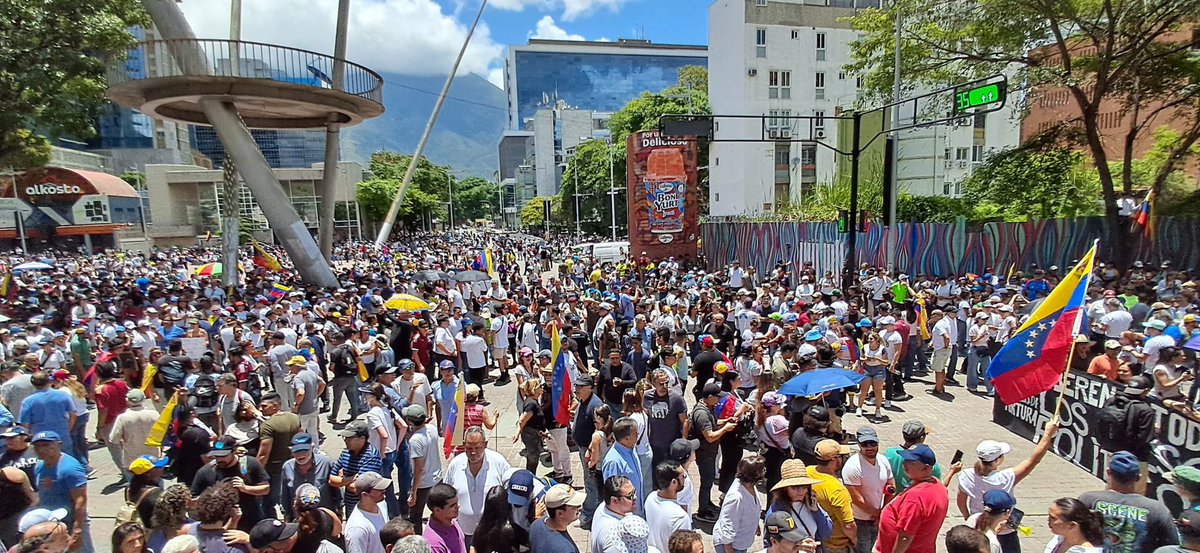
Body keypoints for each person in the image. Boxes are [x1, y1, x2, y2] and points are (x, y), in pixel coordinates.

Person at [957, 419, 1060, 553]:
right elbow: (1034, 459)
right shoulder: (1006, 478)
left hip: (977, 527)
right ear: (998, 460)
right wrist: (1047, 434)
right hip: (1005, 531)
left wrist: (968, 516)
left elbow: (961, 500)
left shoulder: (966, 475)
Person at [1079, 451, 1178, 553]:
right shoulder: (1157, 509)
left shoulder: (1088, 499)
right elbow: (1172, 546)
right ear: (1138, 477)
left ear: (1108, 472)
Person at [442, 426, 511, 549]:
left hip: (492, 534)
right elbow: (446, 494)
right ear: (463, 445)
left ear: (485, 444)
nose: (473, 452)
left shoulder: (498, 462)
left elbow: (510, 491)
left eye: (477, 448)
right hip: (463, 533)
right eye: (469, 448)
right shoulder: (455, 465)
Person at [876, 444, 949, 553]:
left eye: (911, 461)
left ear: (926, 467)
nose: (904, 463)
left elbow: (905, 536)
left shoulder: (915, 498)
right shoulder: (937, 485)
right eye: (905, 459)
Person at [31, 431, 92, 553]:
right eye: (38, 446)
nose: (41, 449)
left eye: (46, 445)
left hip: (71, 521)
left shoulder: (70, 468)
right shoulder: (39, 466)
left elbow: (80, 500)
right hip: (50, 523)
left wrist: (78, 529)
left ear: (59, 445)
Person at [691, 382, 737, 522]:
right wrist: (726, 428)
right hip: (705, 453)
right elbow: (710, 436)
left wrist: (725, 421)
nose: (719, 400)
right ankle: (702, 512)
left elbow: (714, 423)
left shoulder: (707, 408)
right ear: (710, 397)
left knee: (709, 481)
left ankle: (707, 503)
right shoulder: (702, 414)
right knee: (706, 482)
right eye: (717, 397)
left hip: (709, 453)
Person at [843, 427, 894, 553]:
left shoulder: (883, 460)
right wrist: (877, 514)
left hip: (877, 516)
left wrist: (882, 513)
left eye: (873, 443)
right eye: (865, 444)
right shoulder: (853, 466)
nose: (869, 447)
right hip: (859, 519)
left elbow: (891, 486)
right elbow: (857, 499)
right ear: (859, 445)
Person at [765, 459, 832, 548]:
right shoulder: (776, 511)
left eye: (804, 487)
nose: (801, 492)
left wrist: (816, 512)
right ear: (785, 488)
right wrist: (798, 546)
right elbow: (770, 543)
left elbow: (827, 533)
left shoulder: (811, 503)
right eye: (795, 488)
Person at [257, 391, 302, 519]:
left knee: (269, 501)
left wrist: (257, 472)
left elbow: (264, 454)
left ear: (275, 406)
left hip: (274, 469)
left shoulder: (268, 426)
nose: (261, 409)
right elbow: (301, 437)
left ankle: (270, 525)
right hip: (293, 464)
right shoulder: (294, 417)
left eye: (265, 406)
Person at [808, 439, 858, 553]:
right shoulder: (837, 490)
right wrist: (855, 541)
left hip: (813, 538)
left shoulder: (807, 472)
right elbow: (848, 526)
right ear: (835, 460)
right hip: (835, 545)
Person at [713, 455, 765, 553]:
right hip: (731, 545)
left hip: (741, 541)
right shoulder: (736, 497)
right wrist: (728, 546)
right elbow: (728, 522)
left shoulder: (750, 486)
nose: (765, 470)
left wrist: (755, 524)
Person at [281, 433, 339, 520]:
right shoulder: (287, 467)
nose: (300, 455)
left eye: (304, 450)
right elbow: (285, 496)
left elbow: (337, 492)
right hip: (300, 520)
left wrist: (339, 513)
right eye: (296, 451)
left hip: (325, 518)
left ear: (312, 448)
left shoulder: (326, 463)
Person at [405, 404, 441, 534]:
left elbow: (419, 468)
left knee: (415, 517)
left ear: (410, 421)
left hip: (423, 484)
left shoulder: (415, 441)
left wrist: (413, 492)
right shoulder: (432, 429)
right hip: (437, 479)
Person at [572, 374, 602, 530]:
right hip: (582, 448)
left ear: (590, 388)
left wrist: (590, 452)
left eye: (580, 387)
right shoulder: (583, 401)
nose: (576, 389)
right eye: (576, 386)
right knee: (589, 483)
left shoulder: (595, 405)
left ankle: (588, 515)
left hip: (589, 452)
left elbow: (599, 431)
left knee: (590, 483)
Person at [189, 482, 250, 553]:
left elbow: (214, 532)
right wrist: (248, 540)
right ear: (230, 511)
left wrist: (234, 520)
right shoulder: (233, 549)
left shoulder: (191, 530)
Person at [646, 461, 692, 553]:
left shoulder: (650, 498)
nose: (685, 479)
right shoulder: (680, 517)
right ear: (674, 482)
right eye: (683, 477)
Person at [604, 416, 646, 515]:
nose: (638, 435)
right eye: (635, 433)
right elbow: (612, 493)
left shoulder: (632, 449)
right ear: (626, 438)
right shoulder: (613, 462)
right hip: (626, 516)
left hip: (638, 510)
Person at [529, 483, 585, 553]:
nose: (579, 508)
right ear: (560, 513)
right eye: (574, 506)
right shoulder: (565, 549)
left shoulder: (536, 524)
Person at [345, 472, 391, 553]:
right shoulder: (357, 528)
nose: (384, 490)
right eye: (379, 489)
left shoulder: (382, 504)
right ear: (365, 495)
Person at [592, 475, 638, 553]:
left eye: (634, 492)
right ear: (614, 501)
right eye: (630, 496)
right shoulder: (614, 537)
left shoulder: (604, 506)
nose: (635, 497)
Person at [514, 378, 547, 473]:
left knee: (534, 456)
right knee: (533, 457)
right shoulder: (531, 404)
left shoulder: (532, 401)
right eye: (539, 386)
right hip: (530, 435)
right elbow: (522, 420)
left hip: (534, 433)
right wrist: (518, 432)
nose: (542, 387)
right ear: (534, 389)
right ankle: (530, 475)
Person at [423, 483, 466, 553]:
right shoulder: (434, 545)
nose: (458, 506)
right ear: (437, 510)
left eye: (457, 503)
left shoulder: (452, 521)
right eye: (452, 506)